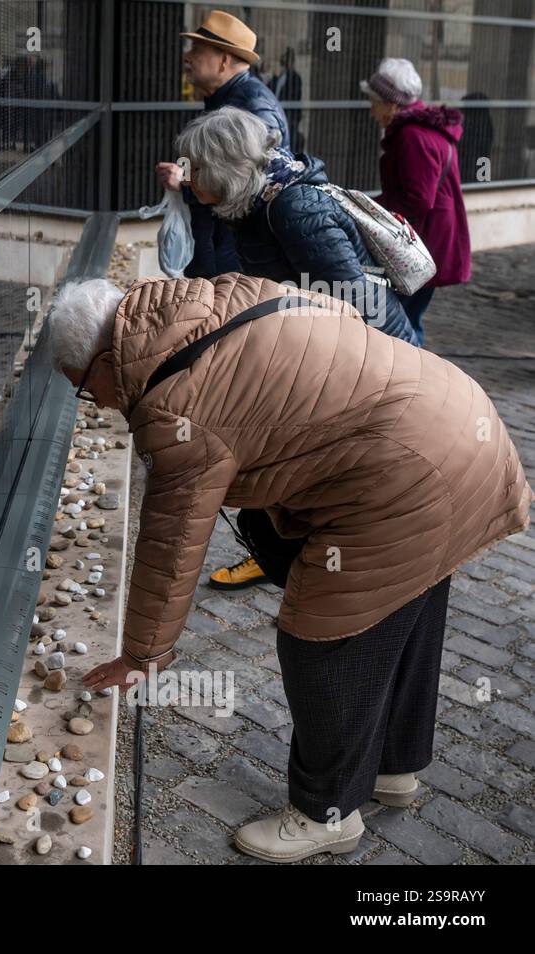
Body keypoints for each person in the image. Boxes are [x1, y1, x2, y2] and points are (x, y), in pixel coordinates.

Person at [48, 274, 531, 862]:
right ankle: (393, 769)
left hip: (404, 476)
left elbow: (172, 541)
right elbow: (322, 339)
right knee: (409, 599)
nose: (95, 402)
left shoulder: (170, 404)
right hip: (455, 419)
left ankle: (325, 813)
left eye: (83, 388)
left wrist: (142, 655)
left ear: (104, 359)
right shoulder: (214, 298)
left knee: (321, 639)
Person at [175, 105, 416, 590]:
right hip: (329, 358)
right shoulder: (251, 200)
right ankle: (299, 561)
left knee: (332, 481)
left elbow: (356, 300)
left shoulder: (291, 206)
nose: (187, 175)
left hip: (375, 362)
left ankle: (331, 576)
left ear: (224, 166)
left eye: (195, 167)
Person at [155, 10, 288, 280]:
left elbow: (249, 187)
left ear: (224, 60)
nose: (186, 56)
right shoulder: (226, 99)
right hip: (220, 250)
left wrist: (184, 182)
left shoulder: (253, 108)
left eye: (196, 49)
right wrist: (186, 177)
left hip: (234, 258)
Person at [363, 57, 471, 346]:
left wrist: (370, 207)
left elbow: (417, 199)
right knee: (407, 316)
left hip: (422, 242)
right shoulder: (422, 129)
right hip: (430, 239)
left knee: (400, 321)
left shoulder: (412, 135)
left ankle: (411, 382)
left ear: (392, 103)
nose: (372, 111)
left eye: (374, 102)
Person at [265, 46, 303, 154]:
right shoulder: (279, 76)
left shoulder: (295, 77)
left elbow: (294, 96)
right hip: (277, 113)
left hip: (289, 115)